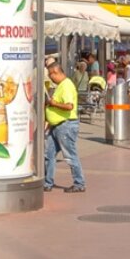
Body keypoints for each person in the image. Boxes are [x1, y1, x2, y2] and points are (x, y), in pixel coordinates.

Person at [42, 55, 85, 193]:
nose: (50, 78)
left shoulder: (66, 85)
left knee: (70, 154)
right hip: (57, 125)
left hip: (65, 125)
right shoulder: (62, 85)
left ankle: (79, 183)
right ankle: (47, 182)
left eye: (50, 75)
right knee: (49, 154)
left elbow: (69, 106)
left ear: (56, 72)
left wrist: (53, 103)